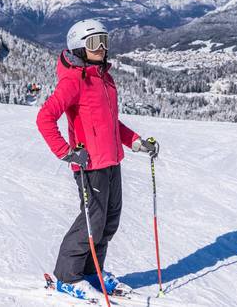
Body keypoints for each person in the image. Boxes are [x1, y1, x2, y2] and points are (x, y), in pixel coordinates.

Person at [36, 19, 159, 301]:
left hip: (112, 161)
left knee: (109, 220)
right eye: (94, 43)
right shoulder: (73, 81)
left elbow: (110, 123)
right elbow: (45, 118)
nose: (102, 47)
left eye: (104, 40)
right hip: (89, 164)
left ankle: (92, 272)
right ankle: (67, 276)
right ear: (79, 47)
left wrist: (136, 142)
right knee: (92, 221)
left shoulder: (104, 78)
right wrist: (66, 151)